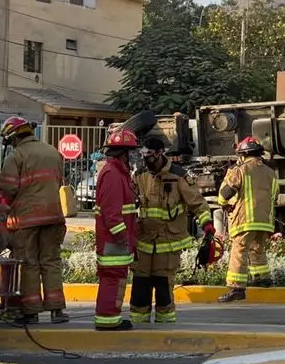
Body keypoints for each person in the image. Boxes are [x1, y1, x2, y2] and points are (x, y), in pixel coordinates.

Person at [0, 116, 69, 325]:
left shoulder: (16, 156)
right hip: (54, 216)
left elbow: (8, 189)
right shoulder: (53, 152)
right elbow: (57, 181)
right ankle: (57, 310)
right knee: (51, 261)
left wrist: (1, 215)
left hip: (27, 219)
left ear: (13, 137)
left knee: (29, 264)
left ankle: (31, 311)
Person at [132, 137, 216, 323]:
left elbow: (198, 203)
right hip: (144, 240)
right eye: (143, 154)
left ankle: (165, 320)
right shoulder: (140, 175)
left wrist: (207, 225)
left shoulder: (178, 176)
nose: (146, 159)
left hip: (168, 240)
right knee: (140, 281)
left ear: (160, 153)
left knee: (163, 282)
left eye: (150, 155)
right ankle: (139, 321)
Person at [215, 136, 277, 303]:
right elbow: (274, 197)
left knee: (239, 250)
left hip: (244, 219)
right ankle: (262, 277)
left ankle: (236, 287)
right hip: (264, 220)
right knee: (257, 248)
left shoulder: (240, 170)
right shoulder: (271, 173)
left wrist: (223, 203)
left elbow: (225, 194)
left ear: (243, 154)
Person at [93, 129, 139, 331]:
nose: (133, 157)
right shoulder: (113, 174)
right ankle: (108, 319)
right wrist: (122, 236)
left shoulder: (118, 172)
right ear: (123, 153)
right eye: (131, 153)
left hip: (117, 239)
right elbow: (111, 213)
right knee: (112, 278)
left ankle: (112, 316)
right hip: (114, 240)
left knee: (116, 278)